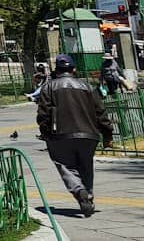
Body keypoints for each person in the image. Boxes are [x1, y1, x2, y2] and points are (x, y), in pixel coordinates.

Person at [37, 53, 114, 217]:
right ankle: (88, 195)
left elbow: (43, 115)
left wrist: (45, 133)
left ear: (56, 70)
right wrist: (107, 134)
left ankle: (79, 192)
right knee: (86, 165)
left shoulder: (49, 87)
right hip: (88, 134)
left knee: (65, 165)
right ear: (74, 69)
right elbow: (100, 112)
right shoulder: (86, 86)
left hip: (60, 135)